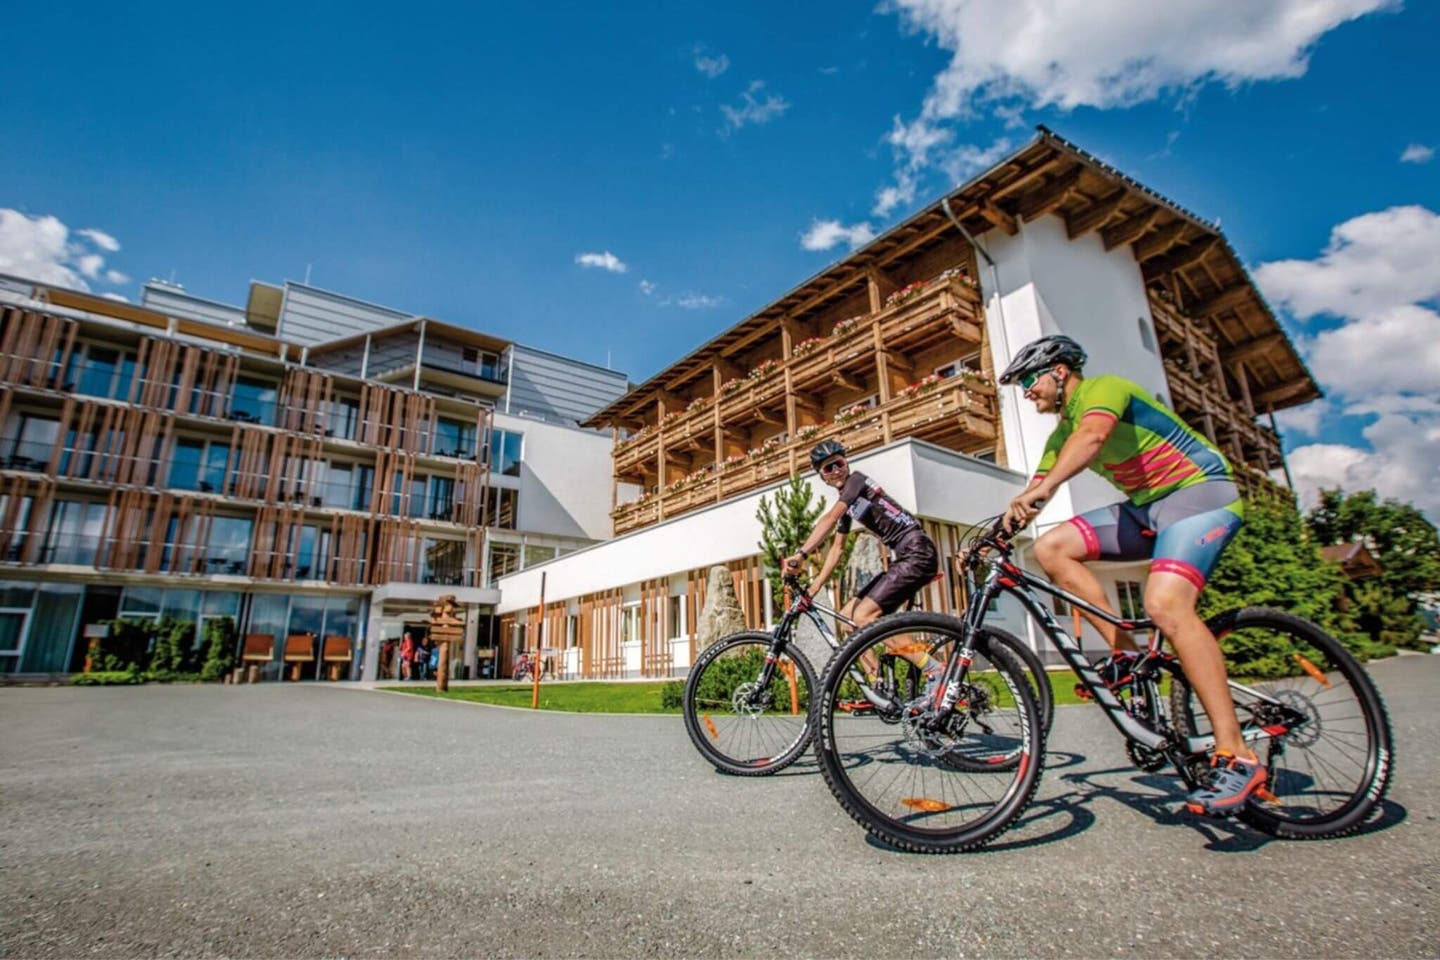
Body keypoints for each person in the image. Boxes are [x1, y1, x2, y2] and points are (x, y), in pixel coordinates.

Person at [997, 333, 1260, 817]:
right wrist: (994, 536)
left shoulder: (1104, 390)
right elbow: (1035, 491)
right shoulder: (1060, 434)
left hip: (1200, 494)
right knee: (1052, 549)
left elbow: (1092, 439)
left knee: (1165, 605)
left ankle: (1237, 753)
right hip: (1148, 510)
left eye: (1030, 381)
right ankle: (1125, 652)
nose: (1027, 392)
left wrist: (1047, 488)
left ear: (1059, 371)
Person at [782, 439, 942, 701]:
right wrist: (814, 587)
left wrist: (801, 554)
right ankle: (877, 681)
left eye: (838, 464)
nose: (835, 471)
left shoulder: (856, 482)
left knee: (864, 616)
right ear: (822, 476)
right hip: (905, 555)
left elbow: (830, 518)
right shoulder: (849, 502)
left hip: (916, 550)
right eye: (827, 469)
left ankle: (935, 670)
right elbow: (837, 550)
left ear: (846, 463)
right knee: (848, 617)